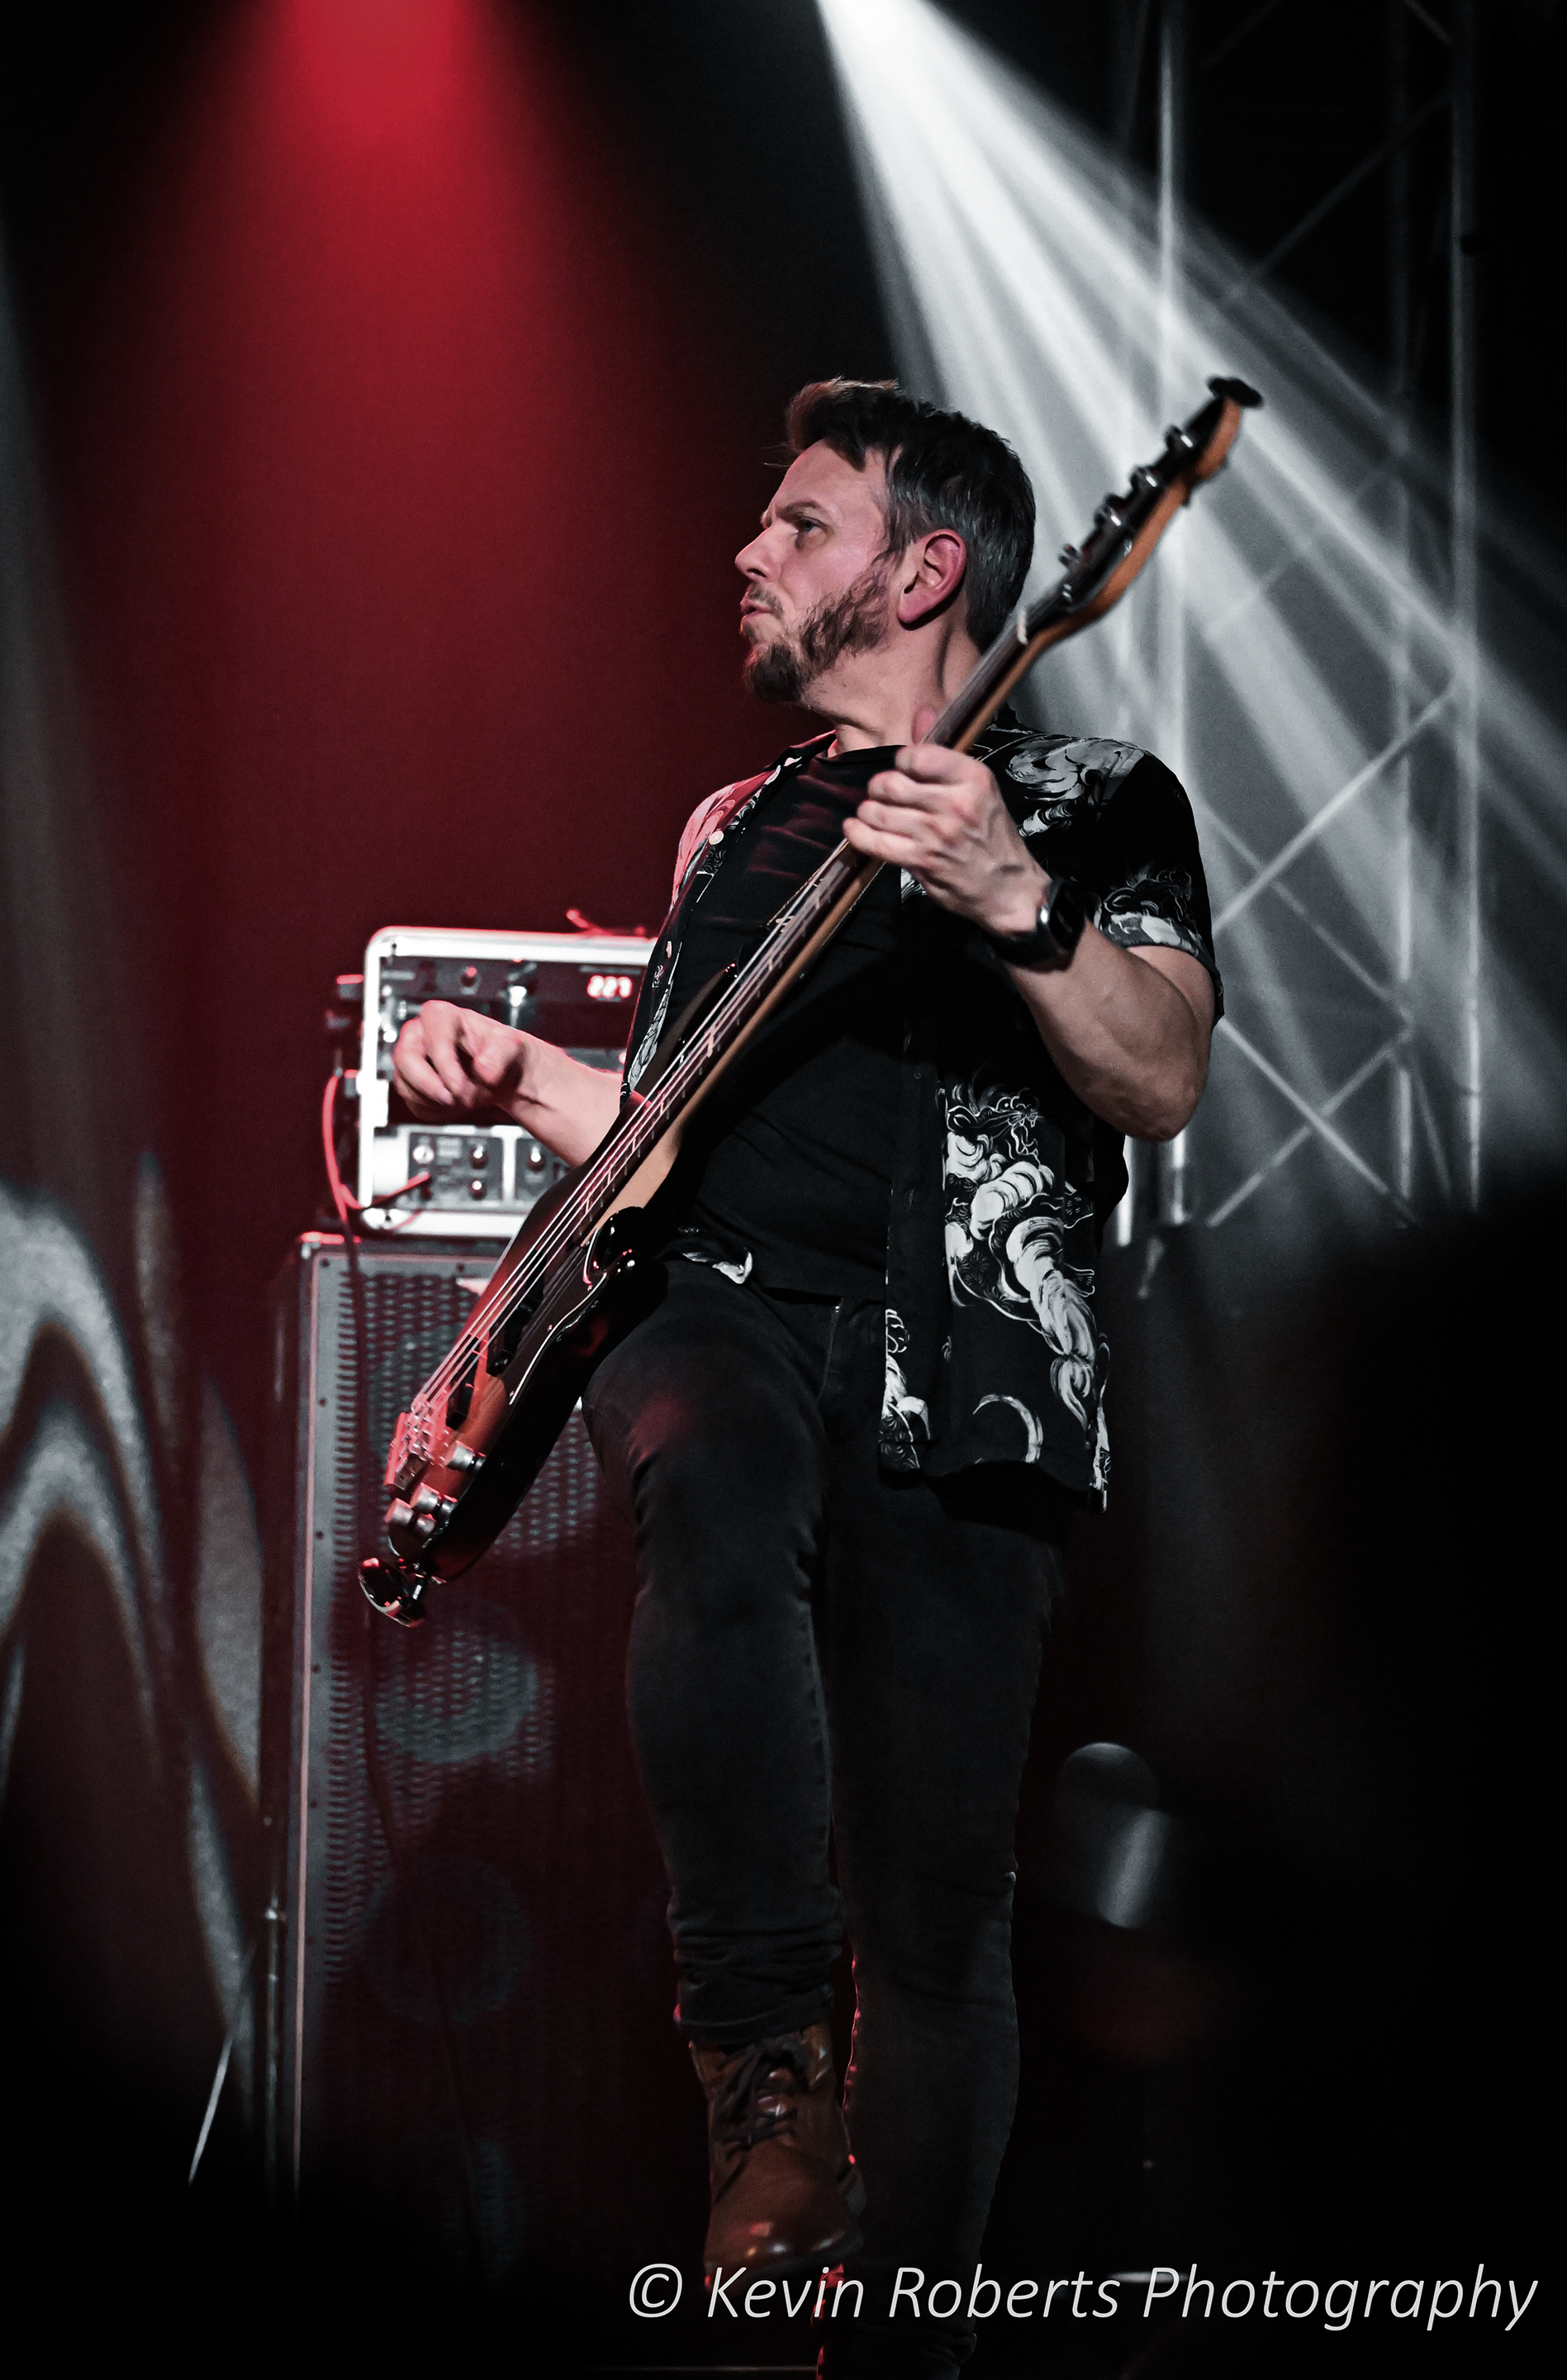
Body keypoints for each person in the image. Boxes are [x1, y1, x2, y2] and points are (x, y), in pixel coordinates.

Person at [392, 379, 1220, 2378]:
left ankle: (900, 2346)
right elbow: (670, 1135)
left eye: (799, 523)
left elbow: (1160, 1075)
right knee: (713, 1453)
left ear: (924, 571)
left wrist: (1013, 895)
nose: (749, 552)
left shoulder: (1102, 797)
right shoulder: (733, 826)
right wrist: (523, 1078)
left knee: (937, 1911)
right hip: (722, 1310)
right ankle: (765, 2071)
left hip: (968, 1373)